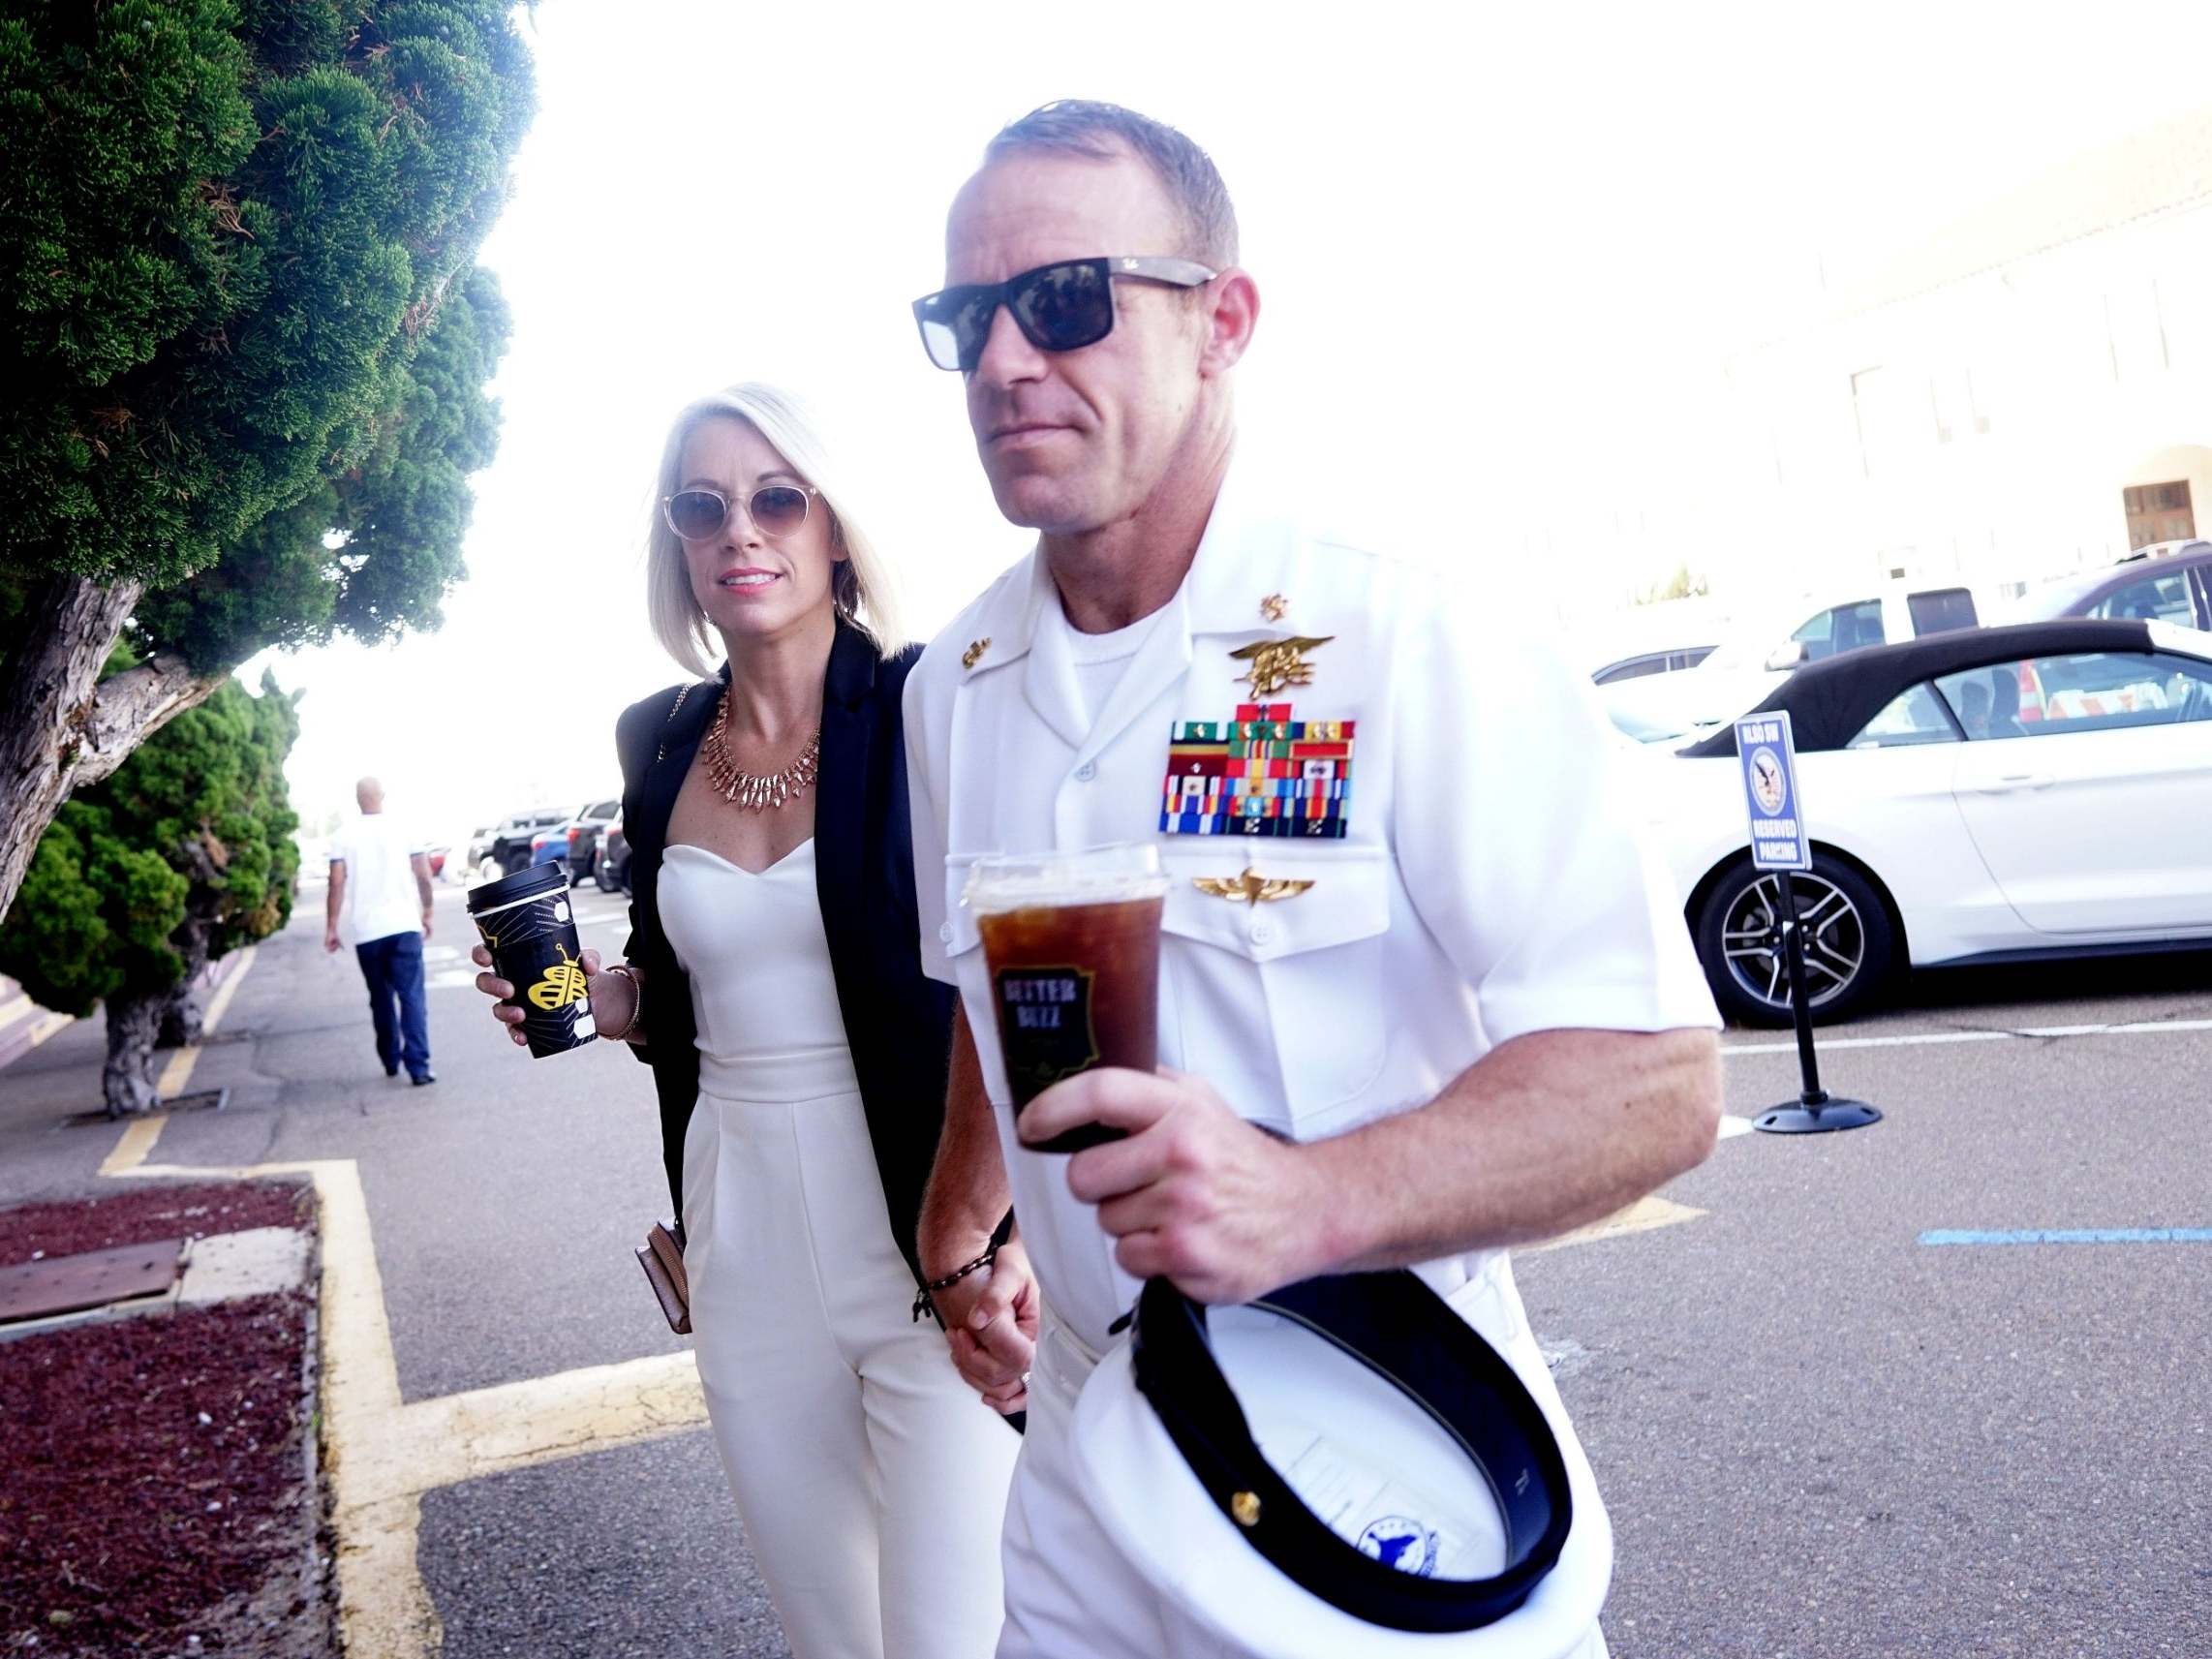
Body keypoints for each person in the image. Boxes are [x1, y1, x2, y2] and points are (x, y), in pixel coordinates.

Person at [901, 102, 1726, 1657]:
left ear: (1223, 322)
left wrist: (1306, 1197)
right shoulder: (956, 682)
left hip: (1367, 1419)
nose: (1009, 358)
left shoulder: (1406, 625)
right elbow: (986, 998)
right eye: (969, 316)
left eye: (1068, 300)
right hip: (1081, 1462)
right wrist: (962, 1234)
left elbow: (1657, 1079)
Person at [469, 384, 1019, 1659]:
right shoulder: (656, 741)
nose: (741, 532)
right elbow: (687, 989)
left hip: (929, 1225)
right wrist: (606, 1003)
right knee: (834, 1633)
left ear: (834, 529)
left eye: (777, 497)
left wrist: (1014, 1217)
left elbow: (1012, 972)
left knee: (954, 1635)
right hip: (742, 1239)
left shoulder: (931, 703)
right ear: (678, 544)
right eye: (702, 506)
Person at [325, 776, 436, 1086]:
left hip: (367, 931)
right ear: (382, 796)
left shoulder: (343, 836)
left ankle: (389, 1061)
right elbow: (424, 875)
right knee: (412, 996)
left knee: (380, 998)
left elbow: (336, 882)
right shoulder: (405, 829)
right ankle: (419, 1068)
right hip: (404, 925)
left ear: (357, 798)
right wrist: (427, 911)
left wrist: (331, 927)